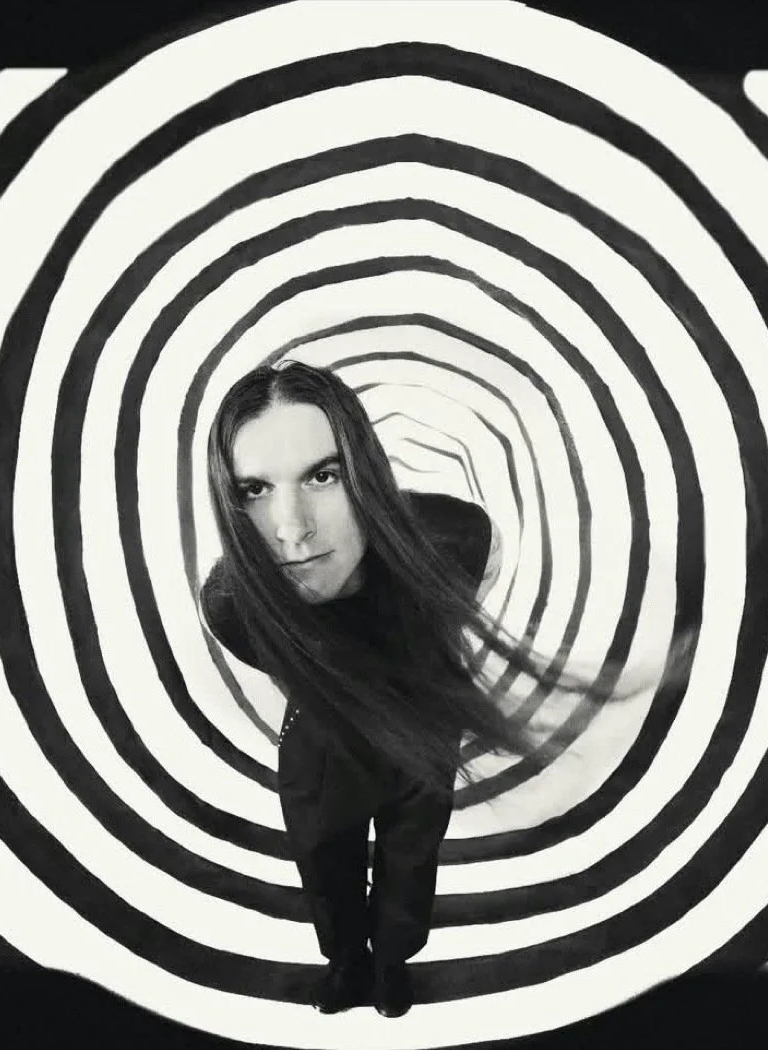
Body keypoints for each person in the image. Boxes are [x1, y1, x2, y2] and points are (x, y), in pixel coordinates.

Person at [199, 360, 691, 1018]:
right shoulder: (233, 603)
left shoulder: (452, 538)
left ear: (364, 470)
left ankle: (394, 961)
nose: (292, 527)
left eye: (324, 474)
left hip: (422, 730)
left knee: (410, 859)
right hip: (322, 741)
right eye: (254, 489)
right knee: (324, 858)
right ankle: (348, 960)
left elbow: (467, 573)